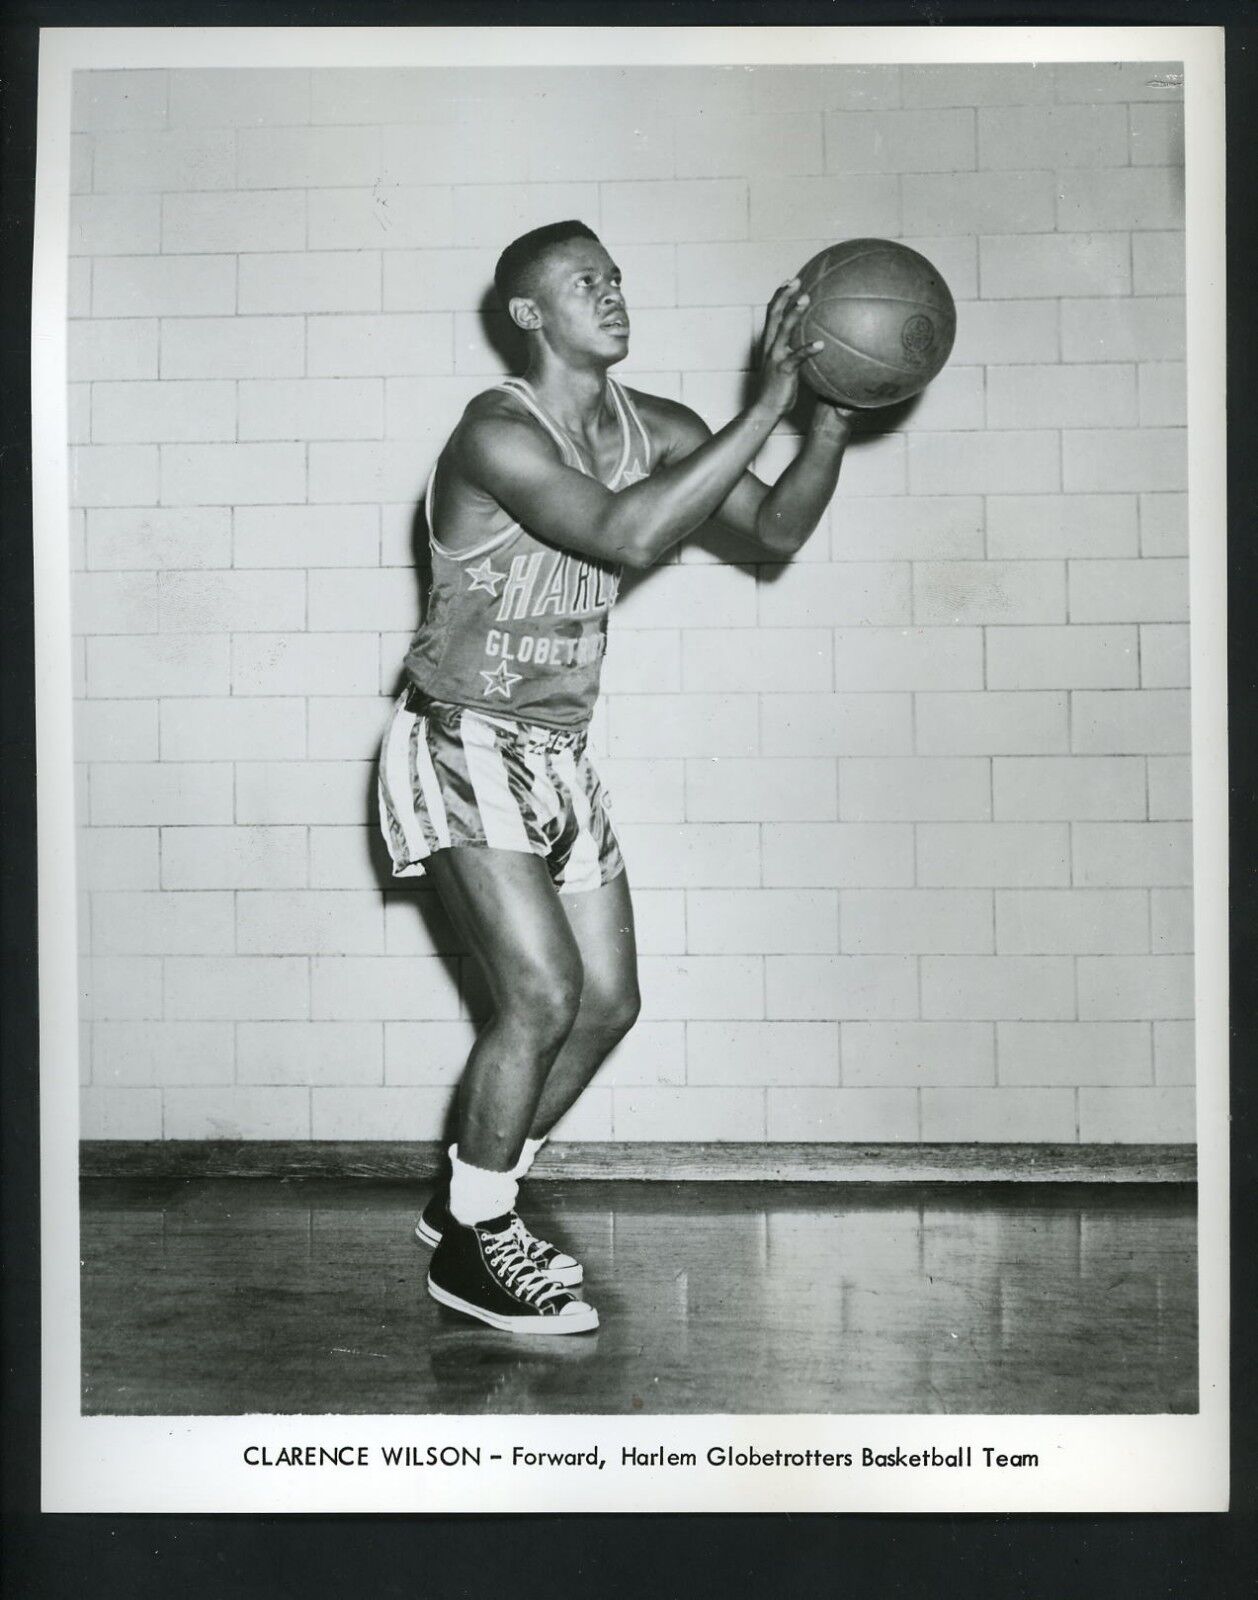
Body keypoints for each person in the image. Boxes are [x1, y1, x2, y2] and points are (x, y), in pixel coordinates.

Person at [377, 220, 854, 1335]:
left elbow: (775, 526)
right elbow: (625, 535)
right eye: (582, 282)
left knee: (608, 1004)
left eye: (617, 275)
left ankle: (466, 1202)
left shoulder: (664, 427)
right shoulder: (496, 431)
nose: (611, 292)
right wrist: (770, 404)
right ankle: (477, 1244)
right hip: (460, 734)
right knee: (540, 992)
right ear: (530, 315)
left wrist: (825, 420)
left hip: (554, 747)